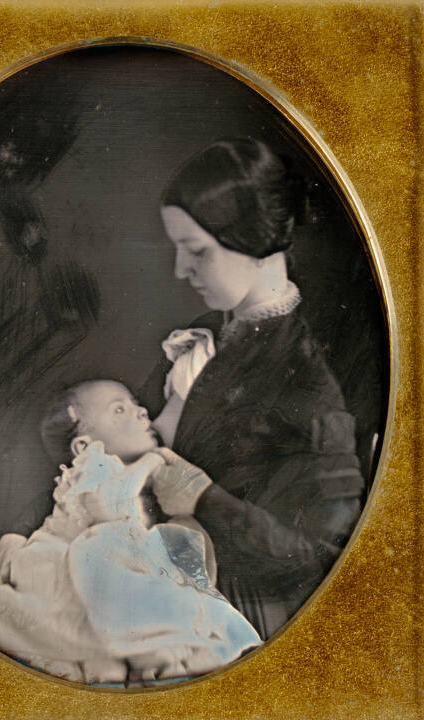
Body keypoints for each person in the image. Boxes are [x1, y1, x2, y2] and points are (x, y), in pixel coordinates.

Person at [139, 138, 365, 640]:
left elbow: (324, 555)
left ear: (256, 243)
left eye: (197, 251)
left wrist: (202, 498)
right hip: (153, 576)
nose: (180, 269)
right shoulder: (205, 333)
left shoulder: (308, 378)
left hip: (234, 614)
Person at [0, 379, 261, 686]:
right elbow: (108, 508)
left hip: (106, 561)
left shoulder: (134, 478)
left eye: (137, 404)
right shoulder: (96, 466)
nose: (141, 412)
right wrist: (152, 460)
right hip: (62, 561)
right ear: (83, 445)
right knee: (107, 552)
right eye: (119, 410)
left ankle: (167, 646)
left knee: (168, 557)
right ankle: (157, 647)